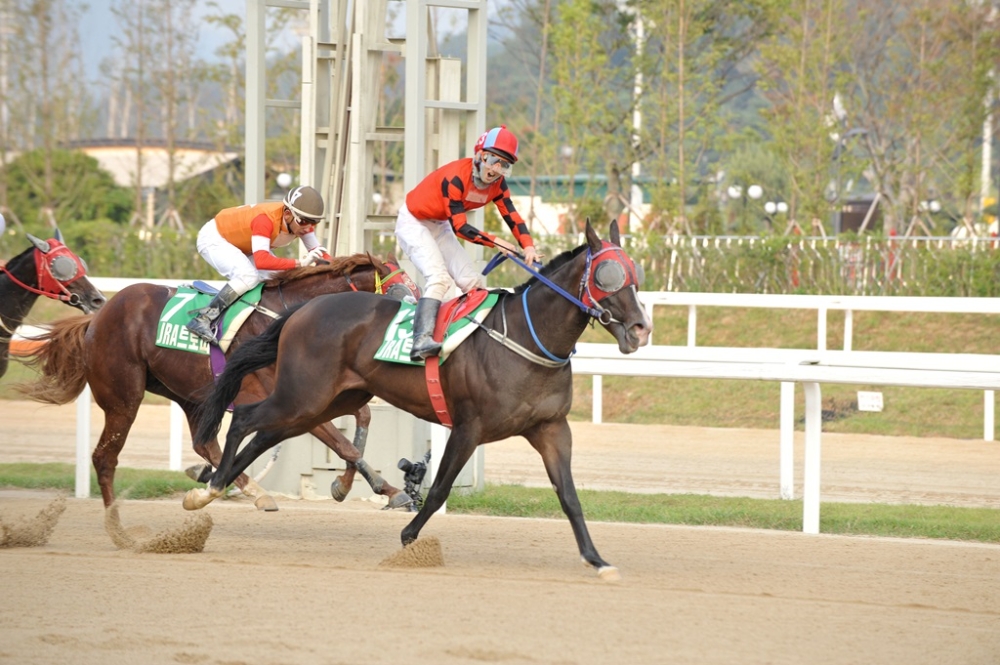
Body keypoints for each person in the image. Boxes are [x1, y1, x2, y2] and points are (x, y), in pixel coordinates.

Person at [395, 125, 541, 361]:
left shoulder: (498, 185)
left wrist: (528, 245)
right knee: (439, 278)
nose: (496, 169)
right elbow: (461, 228)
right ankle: (420, 340)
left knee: (473, 283)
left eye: (504, 165)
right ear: (480, 155)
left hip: (439, 223)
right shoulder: (455, 178)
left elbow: (511, 215)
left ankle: (473, 337)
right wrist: (496, 242)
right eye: (493, 160)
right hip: (414, 222)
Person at [185, 185, 331, 344]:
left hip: (244, 245)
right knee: (248, 276)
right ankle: (203, 319)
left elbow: (322, 256)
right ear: (287, 214)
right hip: (215, 238)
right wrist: (300, 263)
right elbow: (262, 261)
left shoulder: (301, 224)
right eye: (303, 222)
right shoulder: (265, 220)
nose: (308, 228)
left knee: (278, 278)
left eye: (313, 223)